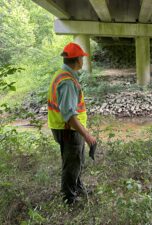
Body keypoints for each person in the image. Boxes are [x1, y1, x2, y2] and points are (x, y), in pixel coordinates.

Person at [48, 42, 97, 204]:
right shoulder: (68, 82)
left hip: (65, 128)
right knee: (72, 164)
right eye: (82, 58)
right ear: (77, 61)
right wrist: (87, 135)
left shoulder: (62, 74)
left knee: (76, 160)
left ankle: (77, 188)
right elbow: (69, 115)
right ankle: (69, 199)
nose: (83, 60)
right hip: (69, 129)